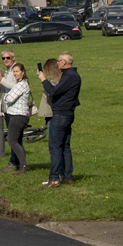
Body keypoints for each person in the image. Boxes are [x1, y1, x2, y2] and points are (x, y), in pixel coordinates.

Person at [38, 51, 81, 188]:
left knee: (55, 146)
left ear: (64, 62)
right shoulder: (72, 75)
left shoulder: (69, 76)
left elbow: (54, 91)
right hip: (67, 114)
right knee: (65, 147)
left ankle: (54, 178)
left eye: (59, 61)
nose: (57, 63)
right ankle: (67, 176)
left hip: (61, 114)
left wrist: (43, 79)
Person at [2, 63, 32, 174]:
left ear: (23, 72)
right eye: (13, 71)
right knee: (18, 141)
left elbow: (9, 98)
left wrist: (6, 97)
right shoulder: (21, 84)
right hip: (20, 115)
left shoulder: (21, 85)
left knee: (12, 141)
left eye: (17, 71)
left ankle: (24, 165)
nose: (15, 74)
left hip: (18, 116)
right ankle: (21, 164)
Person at [0, 49, 18, 171]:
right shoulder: (8, 71)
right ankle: (17, 162)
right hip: (8, 109)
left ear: (13, 58)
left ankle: (14, 163)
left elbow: (16, 87)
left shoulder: (16, 70)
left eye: (8, 58)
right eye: (3, 58)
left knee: (13, 138)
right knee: (14, 138)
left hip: (14, 109)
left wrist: (1, 79)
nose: (5, 60)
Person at [37, 58, 60, 126]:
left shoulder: (55, 82)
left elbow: (51, 91)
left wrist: (43, 79)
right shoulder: (60, 81)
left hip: (52, 115)